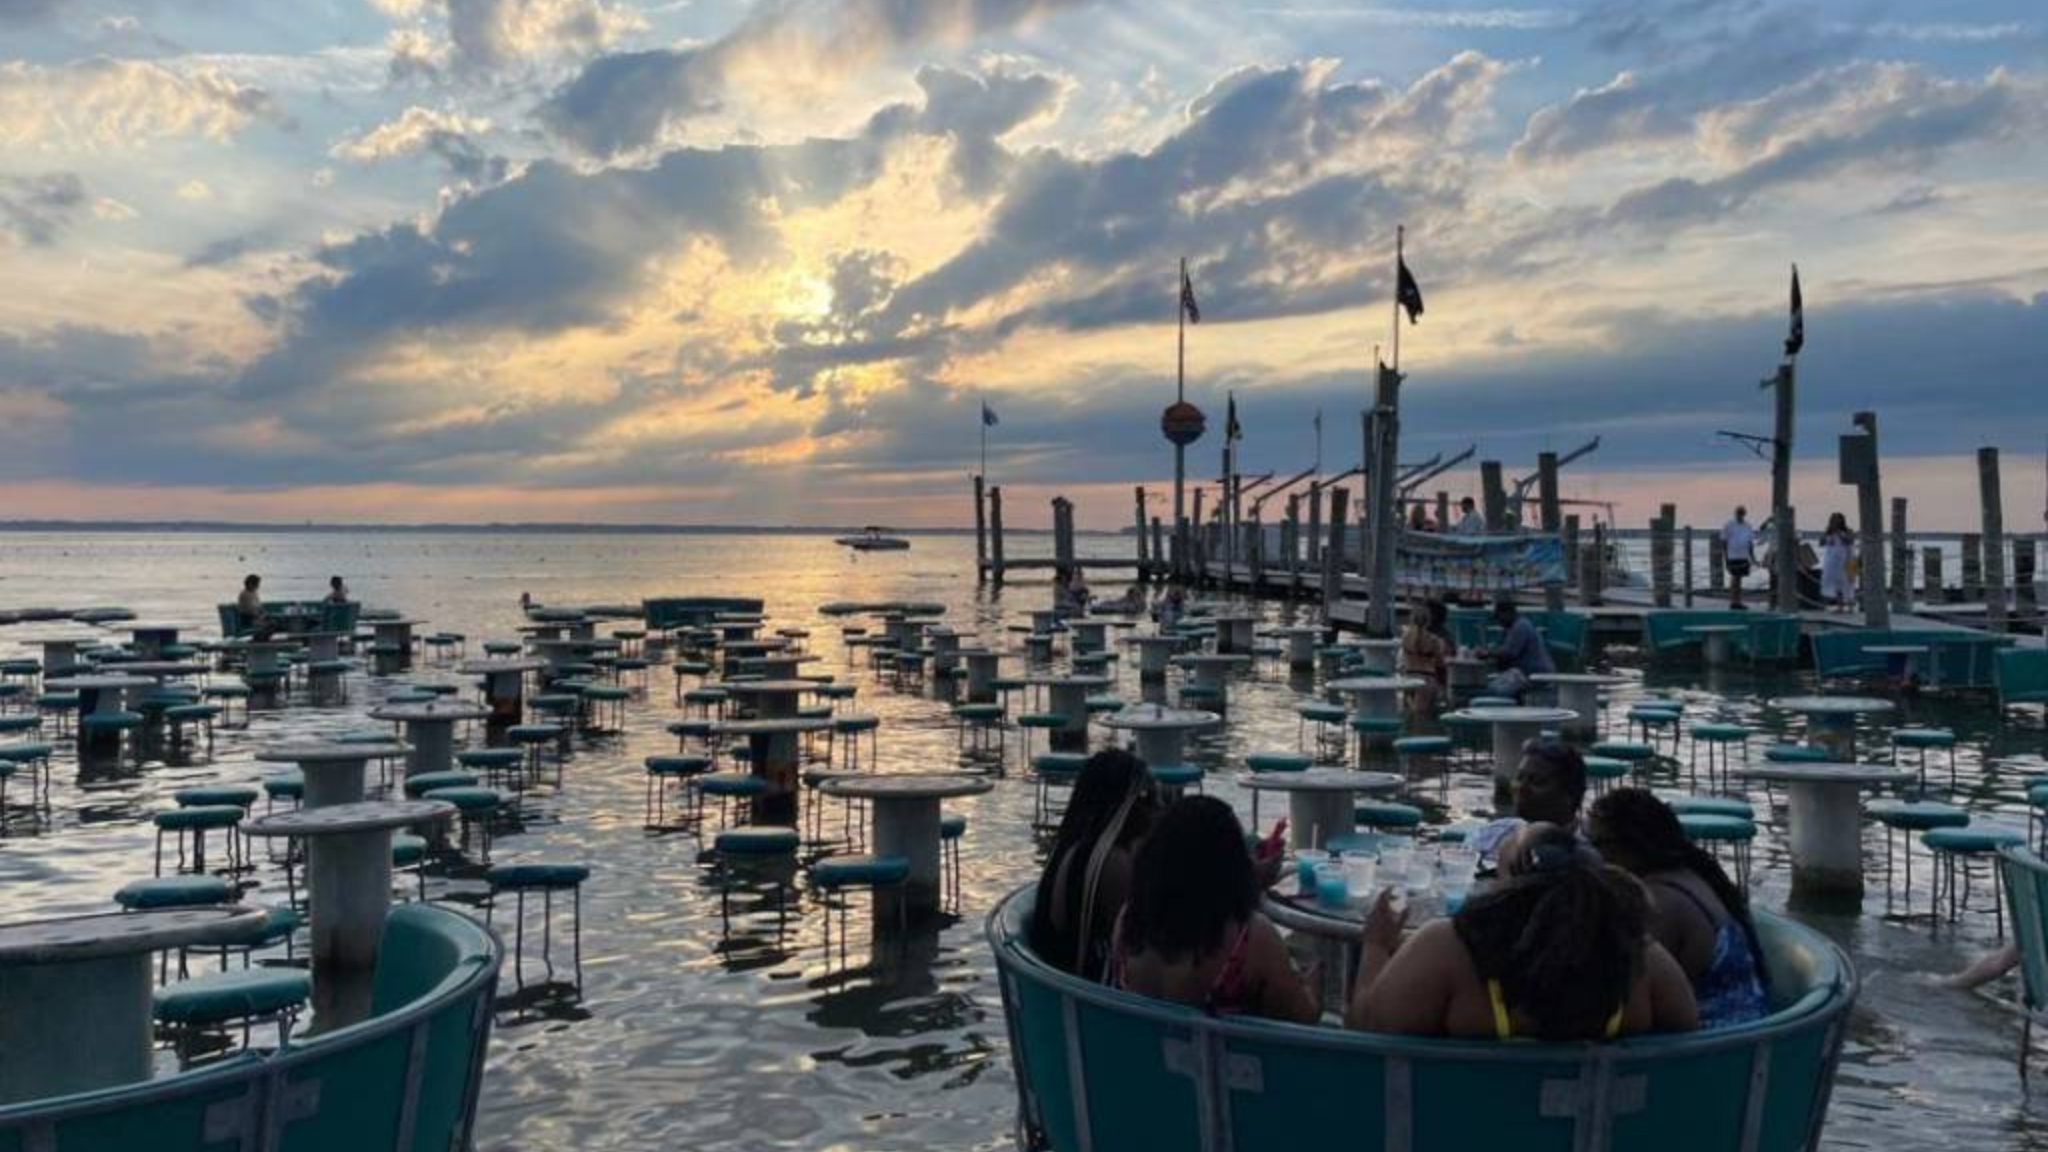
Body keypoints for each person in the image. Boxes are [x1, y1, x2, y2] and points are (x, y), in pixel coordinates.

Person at [1345, 823, 1698, 1039]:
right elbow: (1685, 1035)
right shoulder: (1639, 959)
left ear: (1508, 887)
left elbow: (1367, 1030)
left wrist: (1376, 945)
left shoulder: (1447, 950)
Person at [1112, 797, 1322, 1022]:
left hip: (1145, 1053)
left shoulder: (1129, 920)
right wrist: (1315, 982)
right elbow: (1303, 1017)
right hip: (1221, 1057)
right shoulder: (1251, 936)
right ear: (1231, 864)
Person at [1587, 789, 1769, 1029]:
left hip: (1715, 1042)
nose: (1591, 855)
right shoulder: (1689, 874)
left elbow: (1628, 999)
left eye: (1596, 843)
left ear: (1632, 845)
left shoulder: (1658, 902)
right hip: (1746, 1024)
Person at [1031, 749, 1160, 979]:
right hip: (1088, 992)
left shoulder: (1071, 846)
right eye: (1147, 798)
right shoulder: (1110, 863)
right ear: (1125, 805)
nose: (1156, 809)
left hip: (1058, 982)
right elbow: (1144, 948)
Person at [1468, 738, 1589, 866]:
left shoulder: (1584, 857)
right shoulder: (1490, 835)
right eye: (1519, 778)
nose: (1521, 788)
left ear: (1569, 794)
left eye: (1537, 782)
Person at [1479, 599, 1552, 698]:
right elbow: (1502, 647)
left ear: (1508, 613)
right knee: (1491, 686)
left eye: (1499, 617)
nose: (1499, 622)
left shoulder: (1521, 626)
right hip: (1521, 673)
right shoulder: (1511, 628)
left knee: (1495, 692)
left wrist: (1488, 653)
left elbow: (1510, 653)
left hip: (1533, 674)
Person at [1400, 597, 1449, 715]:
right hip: (1427, 679)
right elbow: (1440, 664)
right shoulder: (1436, 640)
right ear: (1429, 620)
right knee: (1422, 720)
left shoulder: (1405, 637)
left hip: (1408, 679)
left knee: (1409, 718)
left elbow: (1403, 660)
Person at [1722, 506, 1755, 610]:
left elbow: (1750, 543)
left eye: (1742, 513)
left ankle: (1738, 601)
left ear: (1744, 514)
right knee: (1734, 578)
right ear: (1735, 513)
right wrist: (1725, 557)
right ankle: (1733, 602)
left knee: (1739, 579)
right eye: (1738, 513)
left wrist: (1752, 557)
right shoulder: (1728, 525)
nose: (1740, 515)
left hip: (1743, 556)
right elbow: (1724, 542)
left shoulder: (1748, 526)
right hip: (1732, 556)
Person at [1820, 512, 1855, 610]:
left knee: (1849, 582)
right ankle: (1840, 606)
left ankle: (1851, 606)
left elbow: (1849, 541)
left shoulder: (1848, 530)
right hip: (1833, 561)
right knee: (1837, 583)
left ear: (1842, 520)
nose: (1835, 522)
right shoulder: (1828, 532)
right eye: (1833, 520)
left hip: (1848, 559)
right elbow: (1821, 543)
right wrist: (1826, 536)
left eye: (1837, 519)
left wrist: (1839, 533)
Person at [235, 574, 274, 640]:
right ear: (250, 584)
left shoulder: (254, 593)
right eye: (256, 584)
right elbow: (249, 610)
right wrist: (261, 616)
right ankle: (260, 640)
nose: (258, 586)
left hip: (255, 618)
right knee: (270, 624)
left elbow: (259, 606)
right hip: (248, 619)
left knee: (273, 622)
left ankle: (261, 639)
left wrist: (263, 614)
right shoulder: (245, 594)